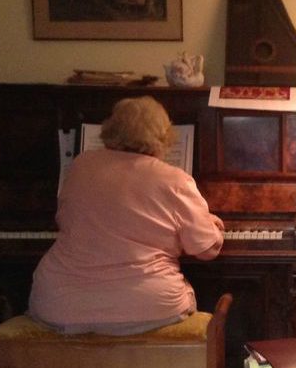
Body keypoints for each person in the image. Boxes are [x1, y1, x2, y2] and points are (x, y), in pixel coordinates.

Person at [29, 96, 224, 335]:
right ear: (163, 136)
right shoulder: (174, 179)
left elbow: (66, 218)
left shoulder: (80, 165)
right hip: (146, 305)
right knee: (186, 294)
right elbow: (205, 249)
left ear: (111, 128)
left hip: (59, 304)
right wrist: (212, 226)